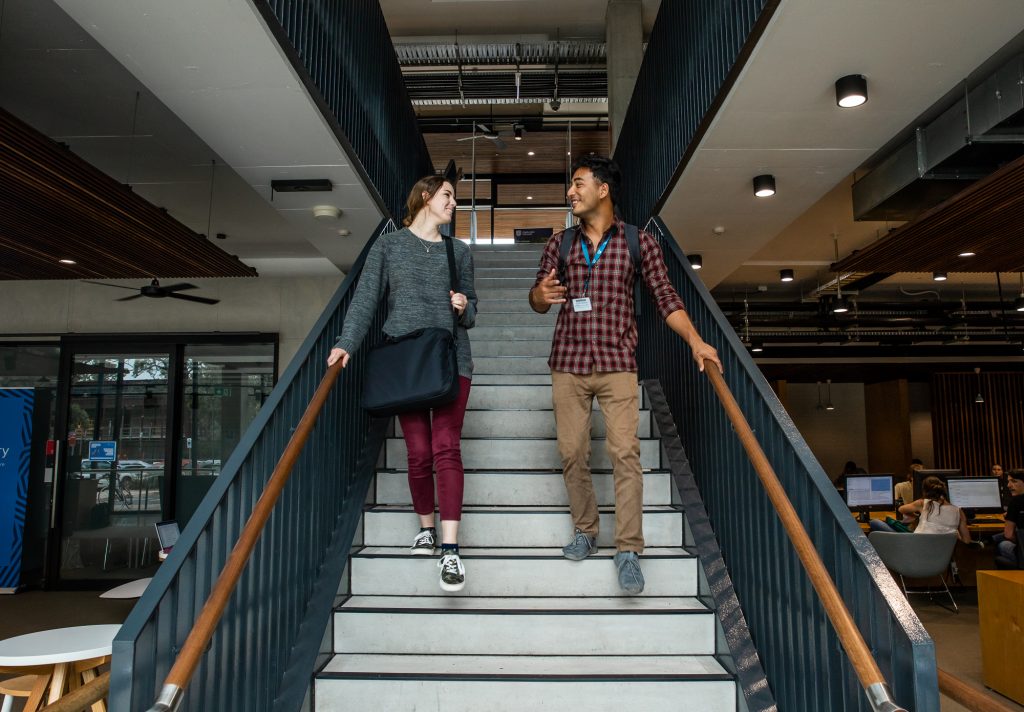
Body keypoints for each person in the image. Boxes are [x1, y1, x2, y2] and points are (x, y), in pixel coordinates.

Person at [528, 154, 722, 595]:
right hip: (569, 363)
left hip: (617, 363)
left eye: (578, 184)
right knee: (573, 452)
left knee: (624, 453)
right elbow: (539, 300)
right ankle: (586, 530)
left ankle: (628, 549)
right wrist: (538, 294)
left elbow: (666, 298)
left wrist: (695, 340)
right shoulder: (559, 244)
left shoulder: (639, 243)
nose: (571, 192)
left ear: (603, 189)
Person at [326, 175, 477, 592]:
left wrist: (464, 306)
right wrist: (345, 344)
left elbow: (473, 311)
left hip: (450, 360)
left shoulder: (458, 251)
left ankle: (450, 549)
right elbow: (365, 300)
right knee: (419, 452)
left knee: (446, 447)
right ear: (425, 197)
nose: (453, 204)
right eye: (448, 196)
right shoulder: (390, 246)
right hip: (405, 361)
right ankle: (425, 528)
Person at [869, 476, 971, 543]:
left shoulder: (922, 503)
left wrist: (916, 516)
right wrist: (951, 534)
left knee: (875, 522)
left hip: (914, 549)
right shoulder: (959, 511)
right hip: (941, 560)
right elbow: (967, 541)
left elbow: (901, 509)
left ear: (924, 491)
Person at [994, 469, 1024, 568]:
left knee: (1002, 544)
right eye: (1008, 481)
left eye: (1014, 481)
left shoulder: (1015, 502)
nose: (1009, 485)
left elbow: (1009, 534)